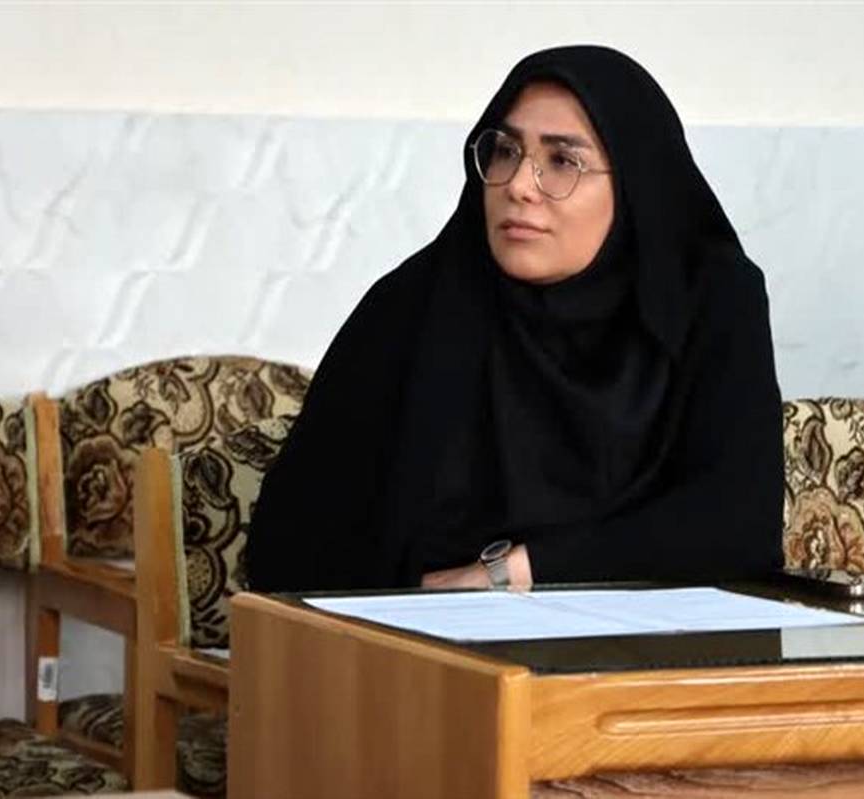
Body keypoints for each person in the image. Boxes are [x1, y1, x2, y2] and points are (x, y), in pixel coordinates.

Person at [246, 46, 783, 592]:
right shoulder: (415, 306)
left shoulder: (708, 298)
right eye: (504, 152)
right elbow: (290, 543)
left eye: (563, 161)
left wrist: (516, 572)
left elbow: (739, 526)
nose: (519, 185)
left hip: (657, 643)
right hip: (425, 637)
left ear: (634, 183)